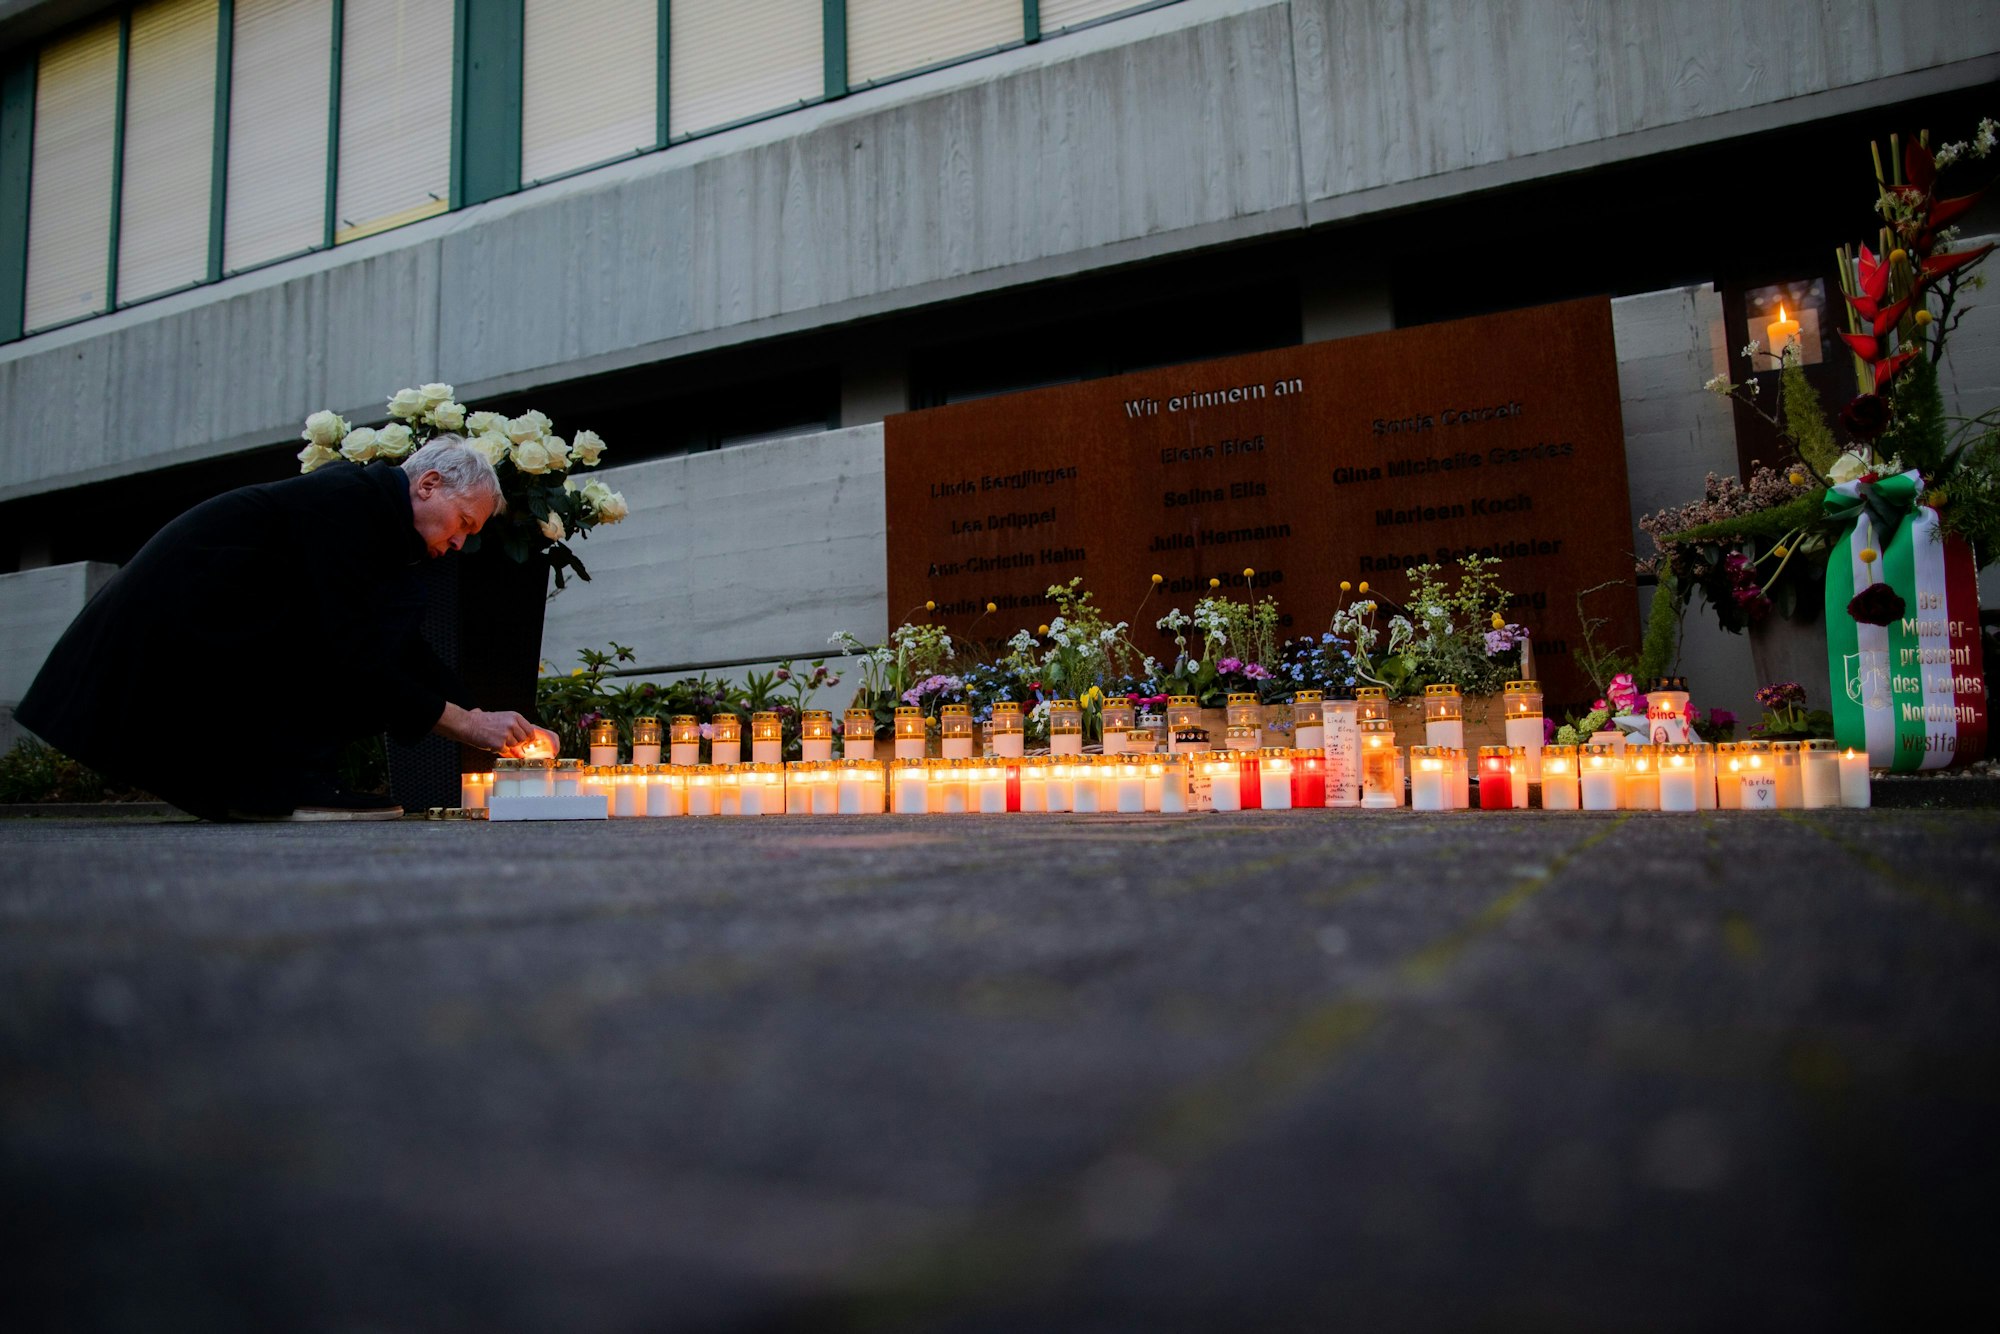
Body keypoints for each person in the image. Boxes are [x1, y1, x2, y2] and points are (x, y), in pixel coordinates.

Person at [16, 437, 558, 820]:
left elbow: (400, 646)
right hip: (178, 620)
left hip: (210, 616)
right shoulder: (350, 506)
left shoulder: (374, 514)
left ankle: (280, 785)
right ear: (429, 485)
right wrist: (466, 726)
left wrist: (489, 720)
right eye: (464, 522)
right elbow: (349, 652)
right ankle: (284, 787)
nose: (462, 543)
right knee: (338, 662)